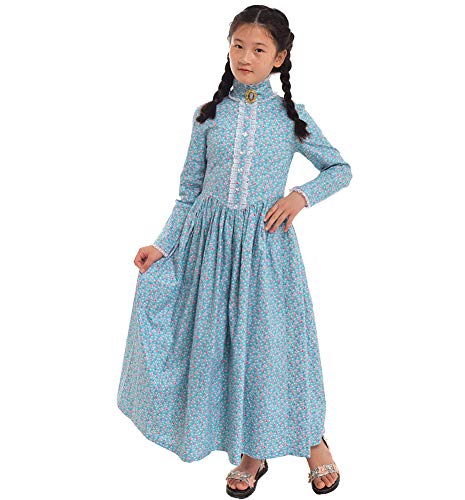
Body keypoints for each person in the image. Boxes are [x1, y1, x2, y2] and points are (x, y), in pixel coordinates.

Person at [117, 5, 352, 497]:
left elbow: (339, 169)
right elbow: (189, 192)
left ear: (279, 58)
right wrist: (162, 244)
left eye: (259, 49)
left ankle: (313, 441)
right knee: (222, 352)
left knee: (274, 350)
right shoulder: (209, 115)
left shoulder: (290, 118)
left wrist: (299, 197)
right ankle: (251, 451)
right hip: (207, 253)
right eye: (238, 46)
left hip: (264, 252)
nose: (246, 57)